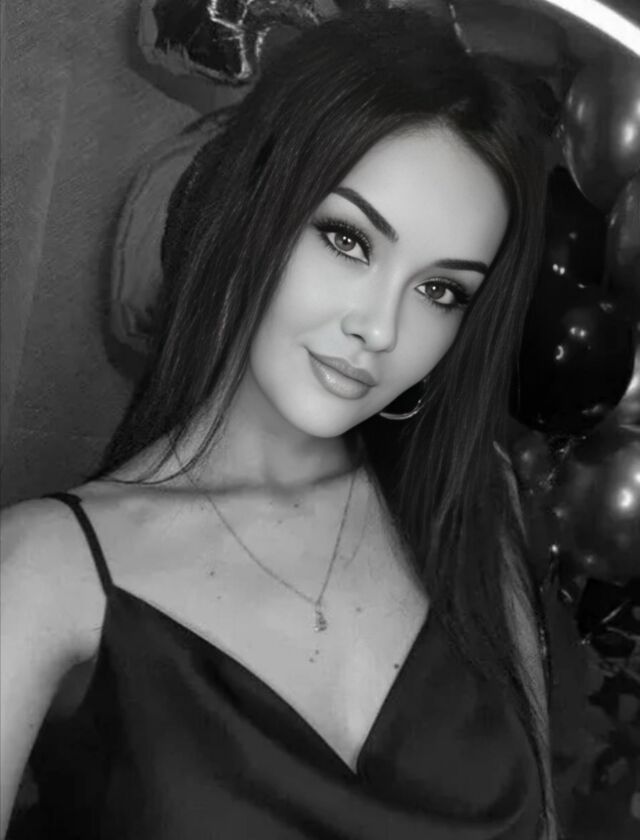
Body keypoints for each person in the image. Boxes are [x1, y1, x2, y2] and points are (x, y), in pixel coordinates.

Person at [0, 6, 558, 839]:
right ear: (256, 204)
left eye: (440, 290)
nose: (380, 328)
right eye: (348, 240)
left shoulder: (472, 503)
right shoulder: (44, 573)